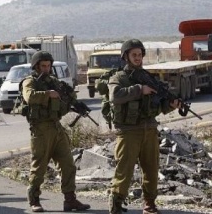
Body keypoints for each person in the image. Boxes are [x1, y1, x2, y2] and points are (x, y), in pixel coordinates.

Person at [107, 39, 181, 214]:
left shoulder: (149, 77)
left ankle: (149, 203)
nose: (138, 58)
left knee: (151, 169)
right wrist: (139, 89)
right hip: (129, 132)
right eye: (134, 55)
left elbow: (158, 107)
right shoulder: (119, 78)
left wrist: (172, 105)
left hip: (149, 129)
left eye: (140, 54)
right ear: (126, 57)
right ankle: (116, 203)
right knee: (124, 170)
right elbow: (115, 96)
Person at [21, 50, 91, 212]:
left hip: (56, 126)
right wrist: (48, 94)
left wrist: (76, 105)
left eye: (48, 66)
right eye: (43, 66)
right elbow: (29, 97)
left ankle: (70, 200)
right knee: (39, 167)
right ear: (36, 67)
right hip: (41, 129)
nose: (46, 69)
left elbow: (67, 97)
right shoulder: (29, 82)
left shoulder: (54, 82)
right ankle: (34, 200)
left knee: (68, 165)